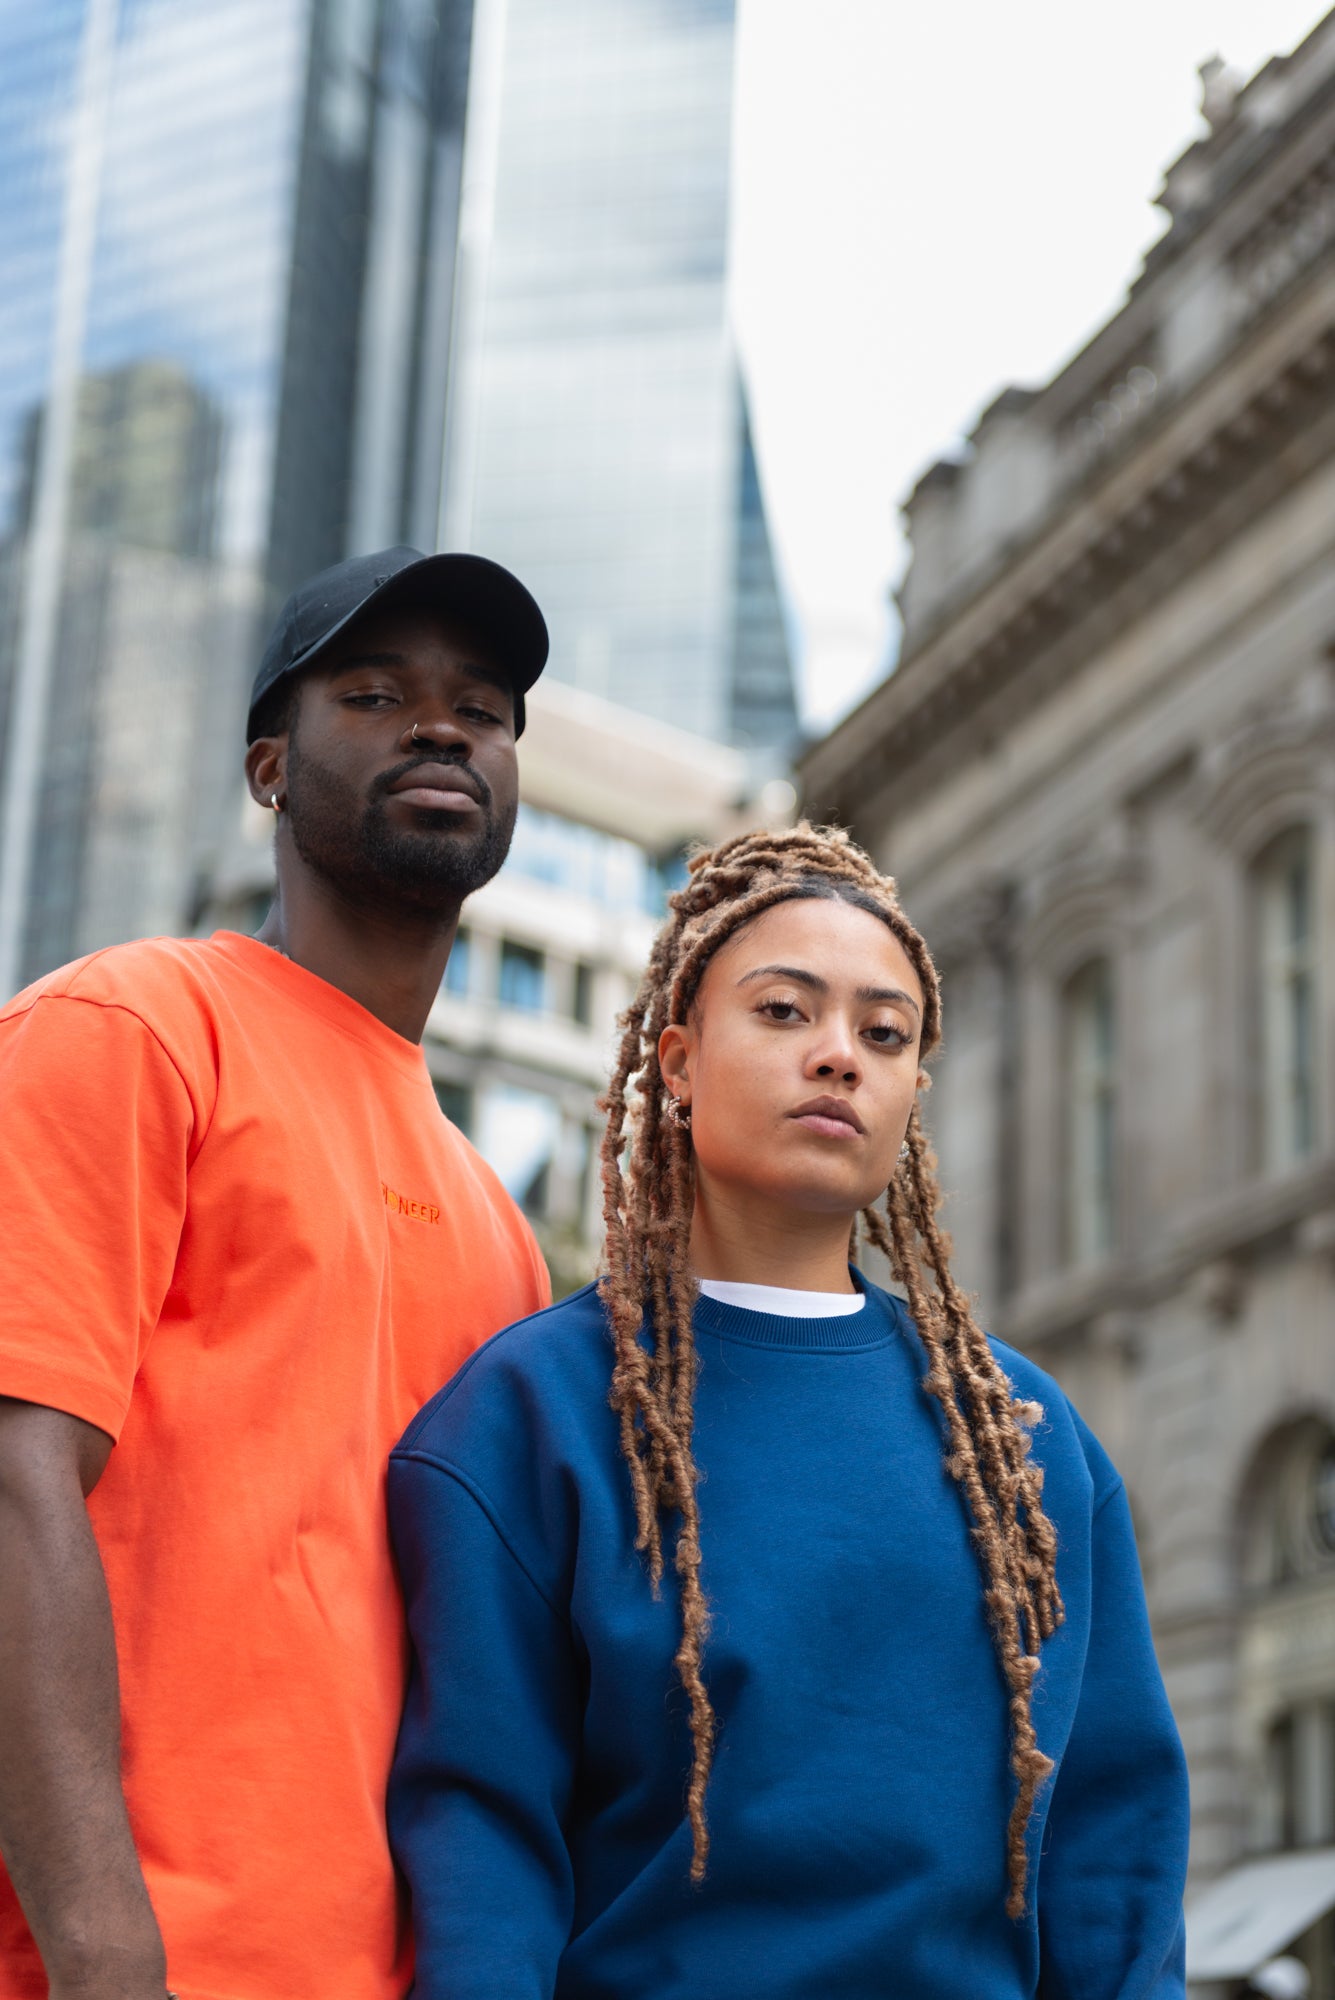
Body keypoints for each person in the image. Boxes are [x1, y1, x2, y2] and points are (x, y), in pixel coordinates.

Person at [388, 822, 1191, 2000]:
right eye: (783, 1010)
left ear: (912, 1091)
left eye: (884, 1032)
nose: (838, 1056)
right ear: (676, 1060)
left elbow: (1114, 1849)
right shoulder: (526, 1416)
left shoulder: (1028, 1439)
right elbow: (483, 1844)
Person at [0, 546, 553, 2000]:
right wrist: (104, 1955)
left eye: (481, 709)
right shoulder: (133, 1025)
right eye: (373, 695)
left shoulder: (500, 1228)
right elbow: (11, 1470)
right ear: (268, 768)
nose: (439, 728)